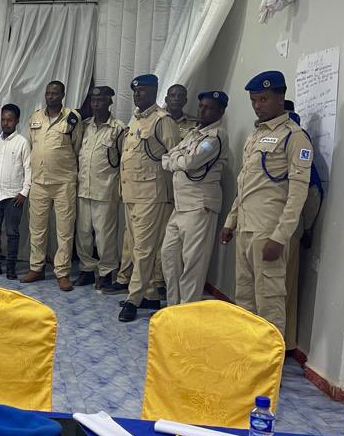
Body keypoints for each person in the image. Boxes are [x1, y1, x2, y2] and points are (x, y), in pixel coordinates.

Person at [220, 71, 312, 335]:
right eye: (253, 100)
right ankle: (248, 354)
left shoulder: (294, 137)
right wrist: (230, 221)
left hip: (268, 232)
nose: (257, 106)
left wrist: (280, 237)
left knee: (269, 303)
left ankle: (271, 360)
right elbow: (245, 184)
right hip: (245, 229)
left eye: (263, 99)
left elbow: (298, 194)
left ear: (280, 98)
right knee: (244, 299)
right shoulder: (256, 135)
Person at [117, 74, 181, 323]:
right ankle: (150, 294)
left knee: (143, 249)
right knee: (136, 247)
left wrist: (174, 197)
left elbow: (175, 158)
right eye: (135, 91)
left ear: (154, 91)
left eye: (142, 91)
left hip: (152, 196)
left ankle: (133, 299)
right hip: (132, 193)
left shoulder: (163, 121)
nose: (137, 94)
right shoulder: (136, 119)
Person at [160, 91, 229, 307]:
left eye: (209, 107)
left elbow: (190, 162)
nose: (203, 110)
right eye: (201, 106)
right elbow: (166, 158)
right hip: (181, 206)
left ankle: (187, 312)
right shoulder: (193, 134)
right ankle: (173, 309)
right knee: (169, 256)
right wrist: (179, 160)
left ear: (220, 112)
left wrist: (177, 160)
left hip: (200, 206)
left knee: (193, 265)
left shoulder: (215, 137)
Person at [20, 80, 83, 291]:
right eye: (48, 93)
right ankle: (36, 268)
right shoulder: (35, 117)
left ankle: (62, 272)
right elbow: (33, 145)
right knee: (37, 228)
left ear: (62, 95)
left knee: (64, 230)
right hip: (39, 181)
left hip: (64, 182)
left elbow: (77, 147)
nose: (50, 96)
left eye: (55, 93)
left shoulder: (72, 118)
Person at [281, 100, 324, 350]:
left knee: (281, 289)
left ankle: (281, 345)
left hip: (285, 229)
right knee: (279, 288)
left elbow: (311, 191)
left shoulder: (296, 138)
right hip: (271, 226)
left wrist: (306, 227)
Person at [74, 86, 125, 290]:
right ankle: (87, 269)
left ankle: (106, 272)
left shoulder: (118, 129)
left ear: (109, 102)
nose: (96, 105)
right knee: (83, 233)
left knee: (104, 236)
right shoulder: (84, 126)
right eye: (93, 101)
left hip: (105, 190)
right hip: (83, 189)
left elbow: (124, 161)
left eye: (101, 100)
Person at [0, 104, 30, 280]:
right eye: (3, 119)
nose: (5, 123)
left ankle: (10, 267)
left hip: (14, 196)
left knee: (12, 233)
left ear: (17, 121)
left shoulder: (22, 142)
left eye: (9, 120)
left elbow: (28, 169)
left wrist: (24, 192)